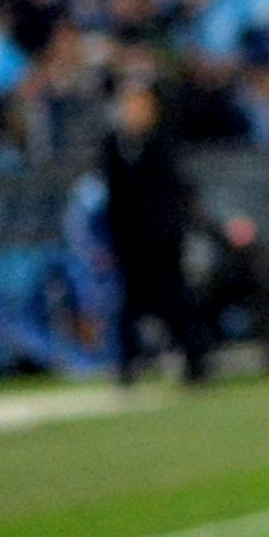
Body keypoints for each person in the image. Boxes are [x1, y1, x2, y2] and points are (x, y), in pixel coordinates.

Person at [96, 74, 209, 385]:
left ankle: (196, 365)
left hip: (162, 242)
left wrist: (168, 232)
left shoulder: (162, 143)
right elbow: (114, 199)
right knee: (129, 307)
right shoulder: (114, 146)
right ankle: (126, 368)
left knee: (174, 303)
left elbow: (172, 194)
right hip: (130, 243)